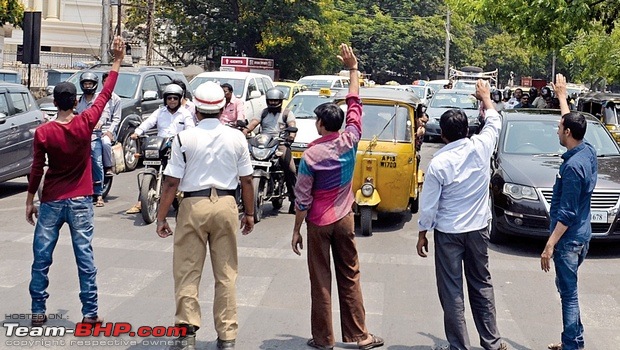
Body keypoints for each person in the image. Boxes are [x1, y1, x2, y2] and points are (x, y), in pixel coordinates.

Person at [25, 36, 125, 327]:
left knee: (42, 257)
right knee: (84, 256)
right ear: (76, 101)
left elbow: (36, 170)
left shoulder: (43, 132)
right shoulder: (85, 122)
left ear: (55, 102)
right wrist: (116, 60)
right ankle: (90, 313)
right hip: (81, 199)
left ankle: (37, 310)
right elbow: (105, 95)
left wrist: (30, 199)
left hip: (52, 200)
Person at [292, 43, 384, 350]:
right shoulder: (351, 138)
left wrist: (295, 230)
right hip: (344, 218)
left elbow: (303, 199)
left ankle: (324, 340)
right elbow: (355, 102)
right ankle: (359, 336)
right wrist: (353, 68)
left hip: (318, 223)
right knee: (350, 276)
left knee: (320, 282)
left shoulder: (311, 154)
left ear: (320, 124)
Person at [156, 81, 255, 350]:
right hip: (226, 204)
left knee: (187, 271)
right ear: (223, 109)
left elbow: (171, 183)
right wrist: (250, 213)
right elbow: (247, 180)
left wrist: (161, 217)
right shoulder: (237, 137)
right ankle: (227, 337)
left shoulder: (184, 138)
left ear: (196, 110)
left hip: (193, 205)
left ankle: (187, 335)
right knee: (226, 274)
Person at [416, 80, 508, 350]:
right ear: (466, 130)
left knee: (452, 290)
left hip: (449, 232)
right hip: (478, 229)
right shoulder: (480, 146)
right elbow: (494, 121)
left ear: (442, 135)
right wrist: (485, 97)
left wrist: (422, 233)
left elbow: (429, 205)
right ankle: (492, 342)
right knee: (481, 284)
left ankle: (459, 346)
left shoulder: (439, 163)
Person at [541, 74, 597, 350]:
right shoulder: (586, 150)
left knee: (569, 294)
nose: (557, 129)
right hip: (582, 237)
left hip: (569, 239)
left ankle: (573, 345)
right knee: (567, 289)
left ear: (567, 133)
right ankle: (571, 339)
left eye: (559, 127)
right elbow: (571, 121)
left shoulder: (574, 167)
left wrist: (549, 246)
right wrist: (562, 96)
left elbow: (567, 213)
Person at [125, 83, 195, 214]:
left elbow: (190, 128)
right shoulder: (159, 111)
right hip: (160, 145)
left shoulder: (185, 113)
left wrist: (185, 138)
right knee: (150, 167)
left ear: (180, 98)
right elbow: (149, 122)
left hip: (177, 147)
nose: (172, 101)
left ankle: (184, 198)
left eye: (175, 98)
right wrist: (137, 132)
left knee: (183, 172)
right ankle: (141, 202)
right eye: (169, 98)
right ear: (165, 99)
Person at [244, 87, 297, 214]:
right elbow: (253, 124)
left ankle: (295, 200)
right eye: (270, 101)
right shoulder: (263, 113)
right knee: (244, 161)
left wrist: (291, 137)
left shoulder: (287, 113)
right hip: (263, 143)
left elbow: (292, 125)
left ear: (280, 101)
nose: (273, 103)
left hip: (280, 143)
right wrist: (245, 131)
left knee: (290, 169)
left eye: (275, 101)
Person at [76, 72, 105, 207]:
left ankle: (99, 194)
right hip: (80, 138)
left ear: (94, 85)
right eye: (85, 84)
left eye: (90, 84)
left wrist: (100, 122)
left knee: (96, 162)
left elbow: (105, 113)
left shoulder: (99, 100)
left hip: (94, 136)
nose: (88, 86)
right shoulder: (78, 101)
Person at [100, 72, 122, 177]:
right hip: (94, 130)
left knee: (105, 143)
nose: (107, 84)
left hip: (107, 130)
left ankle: (108, 167)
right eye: (105, 81)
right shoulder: (97, 97)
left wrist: (109, 131)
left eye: (110, 82)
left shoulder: (117, 99)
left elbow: (116, 119)